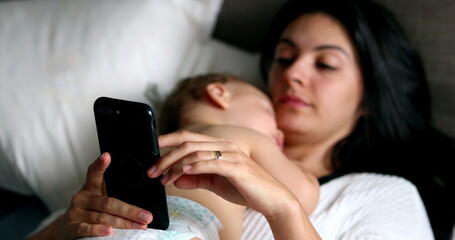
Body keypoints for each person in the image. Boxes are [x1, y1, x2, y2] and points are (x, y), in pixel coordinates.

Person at [28, 0, 454, 239]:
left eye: (325, 64)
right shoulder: (152, 160)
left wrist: (284, 211)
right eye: (284, 57)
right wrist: (70, 224)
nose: (293, 73)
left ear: (369, 98)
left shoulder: (381, 194)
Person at [148, 73, 319, 239]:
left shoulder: (154, 147)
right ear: (219, 93)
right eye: (268, 111)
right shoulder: (243, 136)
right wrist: (304, 169)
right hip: (184, 229)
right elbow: (301, 195)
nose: (279, 132)